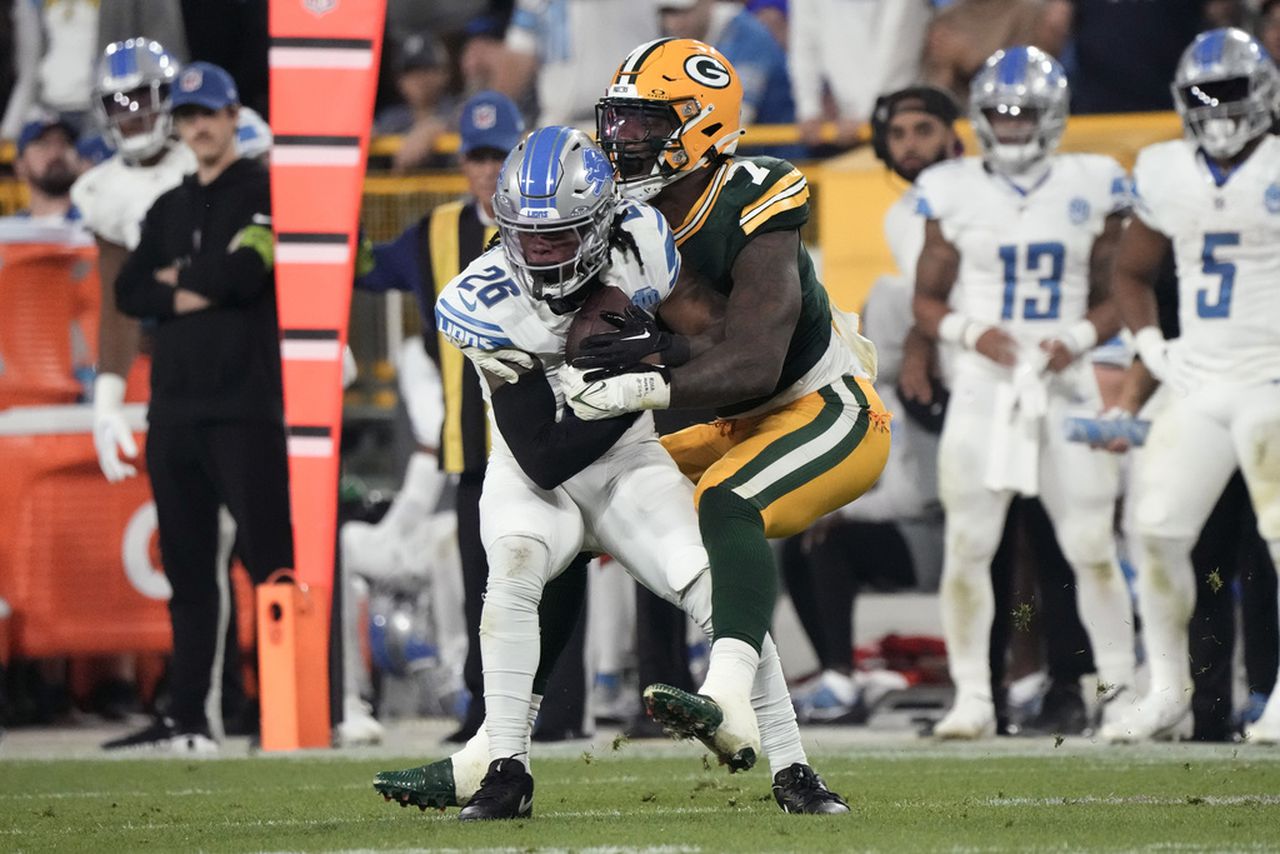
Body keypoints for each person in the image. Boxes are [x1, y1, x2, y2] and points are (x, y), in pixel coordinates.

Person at [373, 127, 848, 819]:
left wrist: (654, 353)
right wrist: (629, 380)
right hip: (538, 471)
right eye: (528, 236)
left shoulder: (644, 245)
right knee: (511, 568)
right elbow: (540, 452)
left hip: (629, 460)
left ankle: (795, 769)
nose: (542, 251)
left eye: (561, 235)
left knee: (714, 582)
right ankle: (506, 771)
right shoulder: (483, 299)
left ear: (598, 223)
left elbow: (706, 347)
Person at [568, 38, 889, 768]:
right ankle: (499, 749)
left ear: (703, 126)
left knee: (727, 500)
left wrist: (646, 374)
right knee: (574, 509)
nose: (623, 141)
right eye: (618, 122)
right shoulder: (624, 214)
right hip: (732, 419)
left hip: (826, 408)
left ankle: (731, 697)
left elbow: (753, 363)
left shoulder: (755, 192)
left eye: (646, 124)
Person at [910, 45, 1137, 738]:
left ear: (1054, 116)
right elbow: (926, 299)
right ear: (979, 117)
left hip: (1063, 380)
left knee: (1091, 542)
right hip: (985, 384)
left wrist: (1076, 337)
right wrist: (973, 332)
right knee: (970, 545)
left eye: (1024, 114)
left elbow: (1120, 292)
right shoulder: (951, 187)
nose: (1010, 127)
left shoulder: (1094, 180)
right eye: (1000, 114)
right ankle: (975, 697)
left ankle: (1122, 693)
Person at [104, 60, 294, 751]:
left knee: (270, 563)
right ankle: (191, 718)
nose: (197, 126)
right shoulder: (167, 205)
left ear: (234, 117)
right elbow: (129, 291)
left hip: (246, 408)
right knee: (188, 574)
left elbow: (250, 273)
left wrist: (176, 283)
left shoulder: (266, 191)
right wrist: (197, 286)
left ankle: (286, 711)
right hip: (175, 413)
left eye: (207, 113)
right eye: (186, 116)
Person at [1101, 28, 1280, 744]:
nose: (1219, 110)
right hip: (1200, 375)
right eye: (1206, 96)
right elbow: (1130, 271)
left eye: (1232, 93)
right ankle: (1168, 686)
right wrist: (1149, 343)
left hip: (1273, 374)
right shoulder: (1165, 168)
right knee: (1156, 528)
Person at [354, 90, 525, 745]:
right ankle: (485, 711)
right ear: (463, 163)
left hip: (539, 447)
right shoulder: (434, 234)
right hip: (470, 452)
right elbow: (366, 268)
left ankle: (559, 706)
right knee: (480, 592)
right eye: (476, 156)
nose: (486, 170)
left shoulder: (547, 224)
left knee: (545, 583)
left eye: (496, 156)